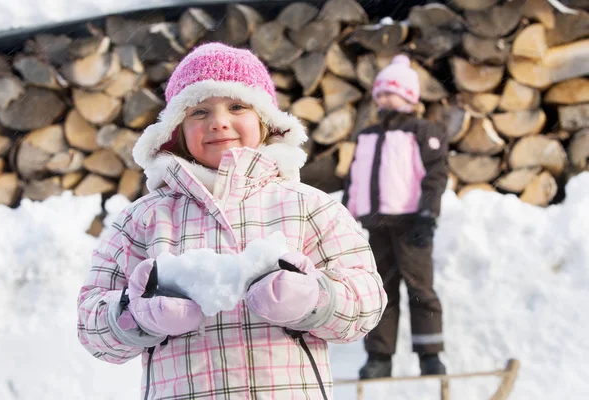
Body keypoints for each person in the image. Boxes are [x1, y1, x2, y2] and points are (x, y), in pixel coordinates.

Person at [77, 42, 387, 399]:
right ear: (175, 129)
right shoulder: (143, 219)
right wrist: (136, 314)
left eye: (236, 106)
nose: (218, 121)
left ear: (265, 120)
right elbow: (90, 327)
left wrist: (314, 297)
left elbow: (367, 304)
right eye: (199, 111)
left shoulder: (309, 207)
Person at [342, 54, 448, 379]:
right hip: (376, 225)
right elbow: (355, 177)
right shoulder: (368, 135)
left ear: (409, 96)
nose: (386, 98)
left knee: (420, 289)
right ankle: (379, 357)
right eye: (381, 92)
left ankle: (430, 355)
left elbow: (435, 175)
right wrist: (347, 214)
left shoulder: (422, 130)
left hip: (411, 224)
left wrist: (427, 215)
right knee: (381, 292)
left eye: (393, 92)